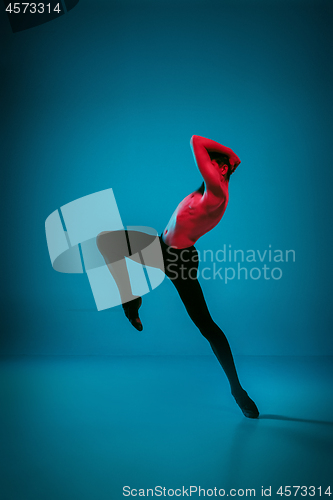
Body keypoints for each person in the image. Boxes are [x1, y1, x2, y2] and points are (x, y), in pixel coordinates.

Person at [97, 135, 259, 419]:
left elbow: (197, 142)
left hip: (180, 260)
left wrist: (228, 160)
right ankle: (131, 302)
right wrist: (231, 160)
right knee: (108, 243)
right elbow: (231, 157)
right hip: (159, 246)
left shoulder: (216, 194)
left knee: (206, 325)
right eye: (215, 163)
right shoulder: (208, 188)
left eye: (219, 165)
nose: (211, 165)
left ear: (224, 171)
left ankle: (237, 390)